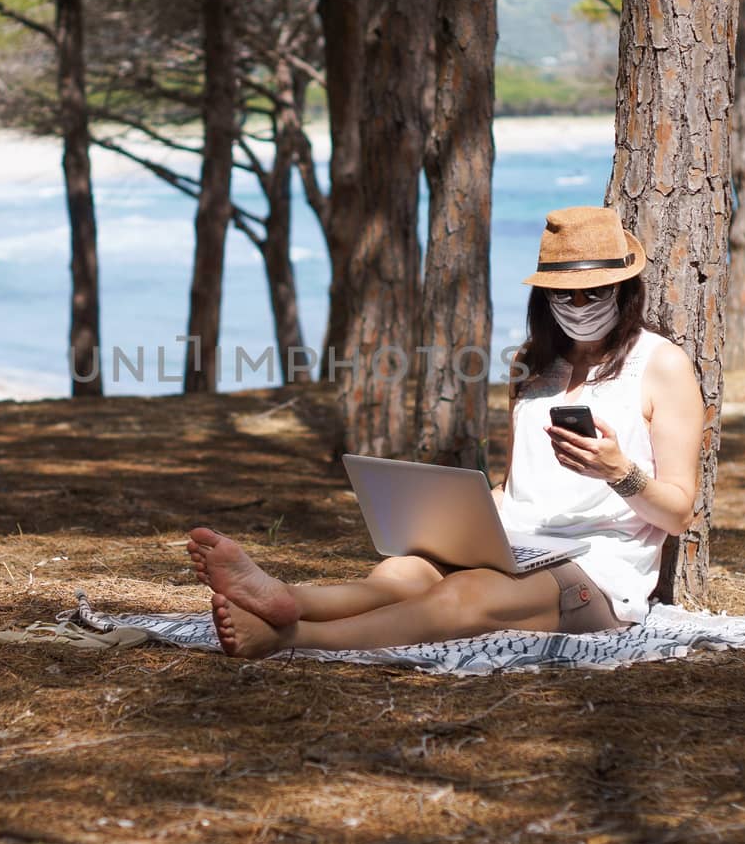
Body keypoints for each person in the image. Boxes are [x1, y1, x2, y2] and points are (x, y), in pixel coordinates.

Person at [188, 205, 705, 658]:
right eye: (562, 295)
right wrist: (462, 517)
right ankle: (281, 597)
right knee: (400, 574)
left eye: (594, 293)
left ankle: (290, 635)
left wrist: (621, 473)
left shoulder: (661, 365)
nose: (577, 307)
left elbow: (679, 513)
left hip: (598, 569)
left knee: (465, 596)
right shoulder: (533, 364)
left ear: (626, 288)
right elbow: (520, 483)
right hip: (515, 544)